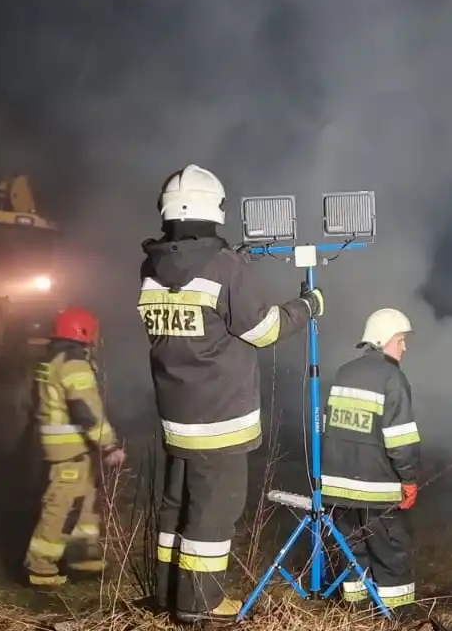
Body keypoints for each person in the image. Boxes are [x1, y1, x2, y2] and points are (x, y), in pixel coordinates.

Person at [140, 164, 325, 622]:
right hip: (219, 418)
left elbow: (192, 311)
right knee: (212, 513)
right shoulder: (226, 266)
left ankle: (170, 593)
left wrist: (231, 263)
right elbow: (262, 329)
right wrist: (307, 307)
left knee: (176, 508)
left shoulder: (153, 266)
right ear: (215, 208)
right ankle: (201, 604)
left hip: (176, 413)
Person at [321, 308, 423, 617]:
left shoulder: (343, 372)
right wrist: (409, 480)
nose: (404, 347)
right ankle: (398, 617)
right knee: (391, 552)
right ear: (382, 340)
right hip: (376, 488)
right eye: (401, 340)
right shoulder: (393, 379)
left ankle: (357, 614)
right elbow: (401, 441)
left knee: (352, 550)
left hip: (337, 487)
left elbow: (330, 429)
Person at [24, 306, 124, 587]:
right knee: (62, 504)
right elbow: (85, 409)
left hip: (65, 447)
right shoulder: (74, 363)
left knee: (84, 502)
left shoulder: (52, 360)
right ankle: (40, 567)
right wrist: (108, 446)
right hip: (72, 448)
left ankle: (84, 558)